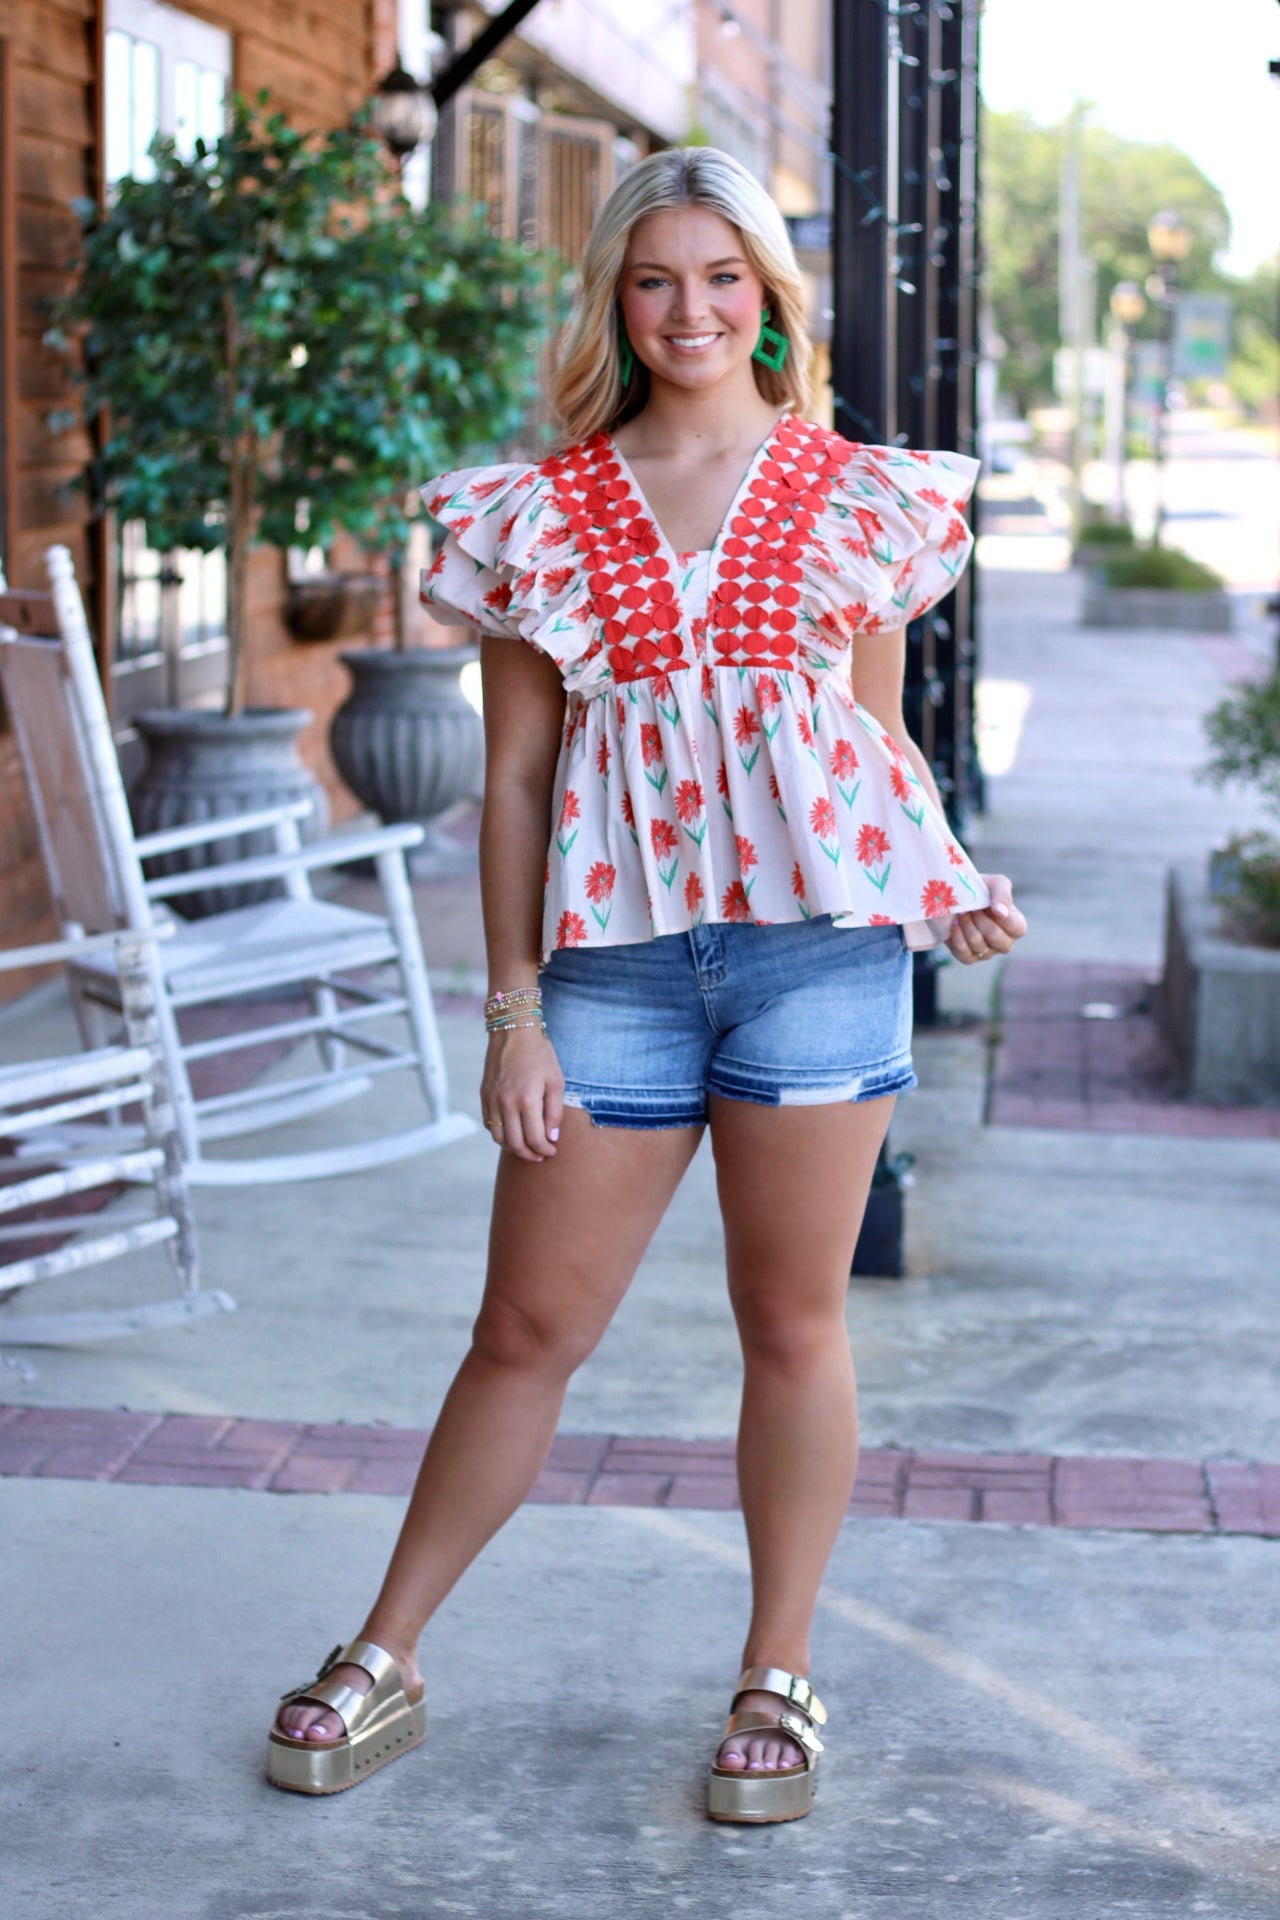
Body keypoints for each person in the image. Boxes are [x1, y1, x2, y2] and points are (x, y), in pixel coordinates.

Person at [265, 146, 1026, 1823]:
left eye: (723, 277)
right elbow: (521, 782)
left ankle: (778, 1667)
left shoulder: (857, 496)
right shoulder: (536, 513)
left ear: (770, 298)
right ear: (617, 297)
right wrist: (513, 1007)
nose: (691, 309)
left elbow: (872, 741)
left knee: (790, 1324)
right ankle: (384, 1649)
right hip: (610, 971)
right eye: (656, 279)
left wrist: (949, 881)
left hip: (817, 959)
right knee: (525, 1330)